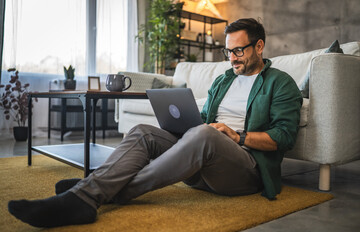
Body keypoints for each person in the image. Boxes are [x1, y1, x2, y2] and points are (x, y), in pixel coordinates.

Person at [8, 18, 303, 228]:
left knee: (204, 135)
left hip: (244, 171)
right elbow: (202, 122)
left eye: (239, 50)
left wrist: (235, 136)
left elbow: (283, 137)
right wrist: (187, 124)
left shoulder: (280, 83)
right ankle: (97, 189)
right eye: (228, 51)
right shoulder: (224, 80)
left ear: (259, 46)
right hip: (202, 158)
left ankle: (90, 193)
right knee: (142, 132)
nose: (232, 59)